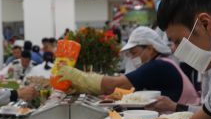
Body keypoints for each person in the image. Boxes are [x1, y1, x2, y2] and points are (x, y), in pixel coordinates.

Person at [57, 26, 195, 105]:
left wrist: (79, 77)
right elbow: (130, 89)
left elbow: (115, 85)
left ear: (150, 49)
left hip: (185, 118)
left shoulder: (157, 66)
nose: (133, 58)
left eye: (134, 53)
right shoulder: (162, 62)